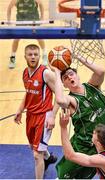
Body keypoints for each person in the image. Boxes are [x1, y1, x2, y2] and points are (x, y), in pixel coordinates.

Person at [51, 55, 105, 179]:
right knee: (63, 177)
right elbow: (59, 100)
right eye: (65, 78)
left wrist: (79, 57)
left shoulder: (93, 86)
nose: (69, 77)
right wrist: (57, 73)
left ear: (77, 75)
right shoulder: (72, 100)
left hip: (99, 148)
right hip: (81, 148)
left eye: (71, 74)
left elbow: (100, 71)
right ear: (64, 84)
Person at [14, 44, 58, 179]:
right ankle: (49, 158)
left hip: (44, 116)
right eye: (30, 54)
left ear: (40, 56)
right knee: (34, 147)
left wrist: (53, 116)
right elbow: (28, 94)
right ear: (25, 56)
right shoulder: (25, 73)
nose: (33, 57)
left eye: (35, 54)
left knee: (37, 155)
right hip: (30, 115)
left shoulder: (46, 73)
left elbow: (60, 96)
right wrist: (20, 109)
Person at [59, 110, 105, 179]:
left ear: (99, 143)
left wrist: (63, 127)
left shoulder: (103, 160)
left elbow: (70, 156)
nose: (92, 133)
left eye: (94, 133)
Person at [7, 0, 48, 69]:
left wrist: (42, 17)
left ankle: (44, 54)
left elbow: (41, 5)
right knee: (16, 39)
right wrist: (8, 20)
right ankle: (12, 57)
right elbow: (9, 8)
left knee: (39, 37)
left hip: (34, 20)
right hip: (21, 21)